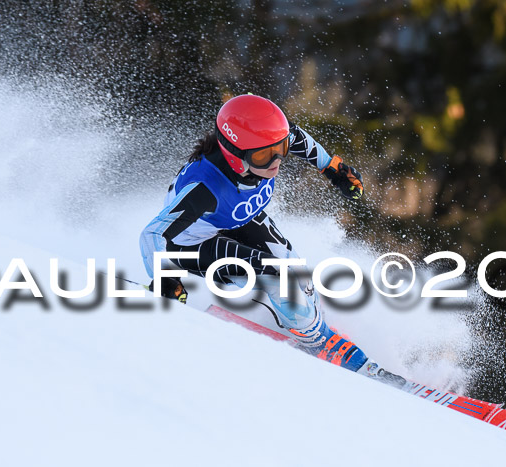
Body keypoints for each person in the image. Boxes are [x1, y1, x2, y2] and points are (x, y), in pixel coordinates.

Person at [140, 94, 405, 387]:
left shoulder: (264, 145)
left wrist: (332, 167)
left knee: (296, 272)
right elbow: (152, 234)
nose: (276, 162)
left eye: (280, 150)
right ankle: (318, 340)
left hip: (235, 219)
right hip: (192, 244)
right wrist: (164, 278)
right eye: (264, 156)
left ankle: (312, 325)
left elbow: (294, 136)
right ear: (235, 154)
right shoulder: (205, 188)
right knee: (278, 279)